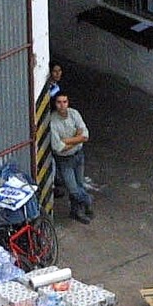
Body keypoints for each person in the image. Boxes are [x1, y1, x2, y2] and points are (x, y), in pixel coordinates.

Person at [47, 92, 94, 224]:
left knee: (79, 184)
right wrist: (77, 139)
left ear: (68, 103)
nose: (62, 105)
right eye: (59, 102)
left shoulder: (74, 114)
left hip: (78, 156)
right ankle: (88, 200)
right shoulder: (53, 121)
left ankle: (76, 212)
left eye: (64, 102)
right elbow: (58, 147)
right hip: (65, 160)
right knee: (73, 188)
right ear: (55, 104)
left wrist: (68, 141)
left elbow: (85, 135)